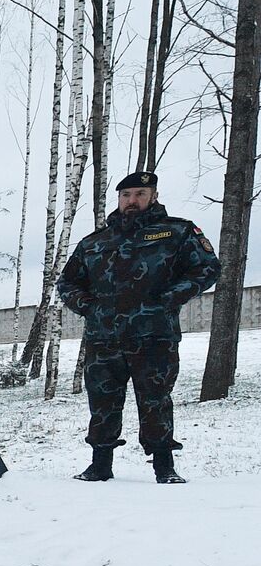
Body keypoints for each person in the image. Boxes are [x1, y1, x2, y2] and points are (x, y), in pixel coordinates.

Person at [57, 171, 221, 484]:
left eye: (139, 195)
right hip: (104, 339)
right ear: (119, 199)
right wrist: (88, 307)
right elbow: (67, 282)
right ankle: (100, 465)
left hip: (154, 335)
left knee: (155, 400)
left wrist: (171, 297)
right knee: (102, 403)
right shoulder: (94, 243)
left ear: (153, 197)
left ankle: (164, 466)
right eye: (126, 195)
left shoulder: (177, 232)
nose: (132, 201)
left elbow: (207, 268)